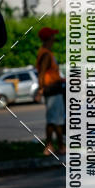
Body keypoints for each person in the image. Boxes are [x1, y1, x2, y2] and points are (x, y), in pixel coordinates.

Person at [35, 26, 65, 156]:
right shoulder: (46, 54)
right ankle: (58, 146)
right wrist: (40, 90)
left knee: (53, 120)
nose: (54, 38)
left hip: (55, 88)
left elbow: (49, 74)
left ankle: (50, 146)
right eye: (53, 36)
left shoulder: (47, 52)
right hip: (52, 90)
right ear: (48, 38)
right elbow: (41, 74)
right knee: (56, 120)